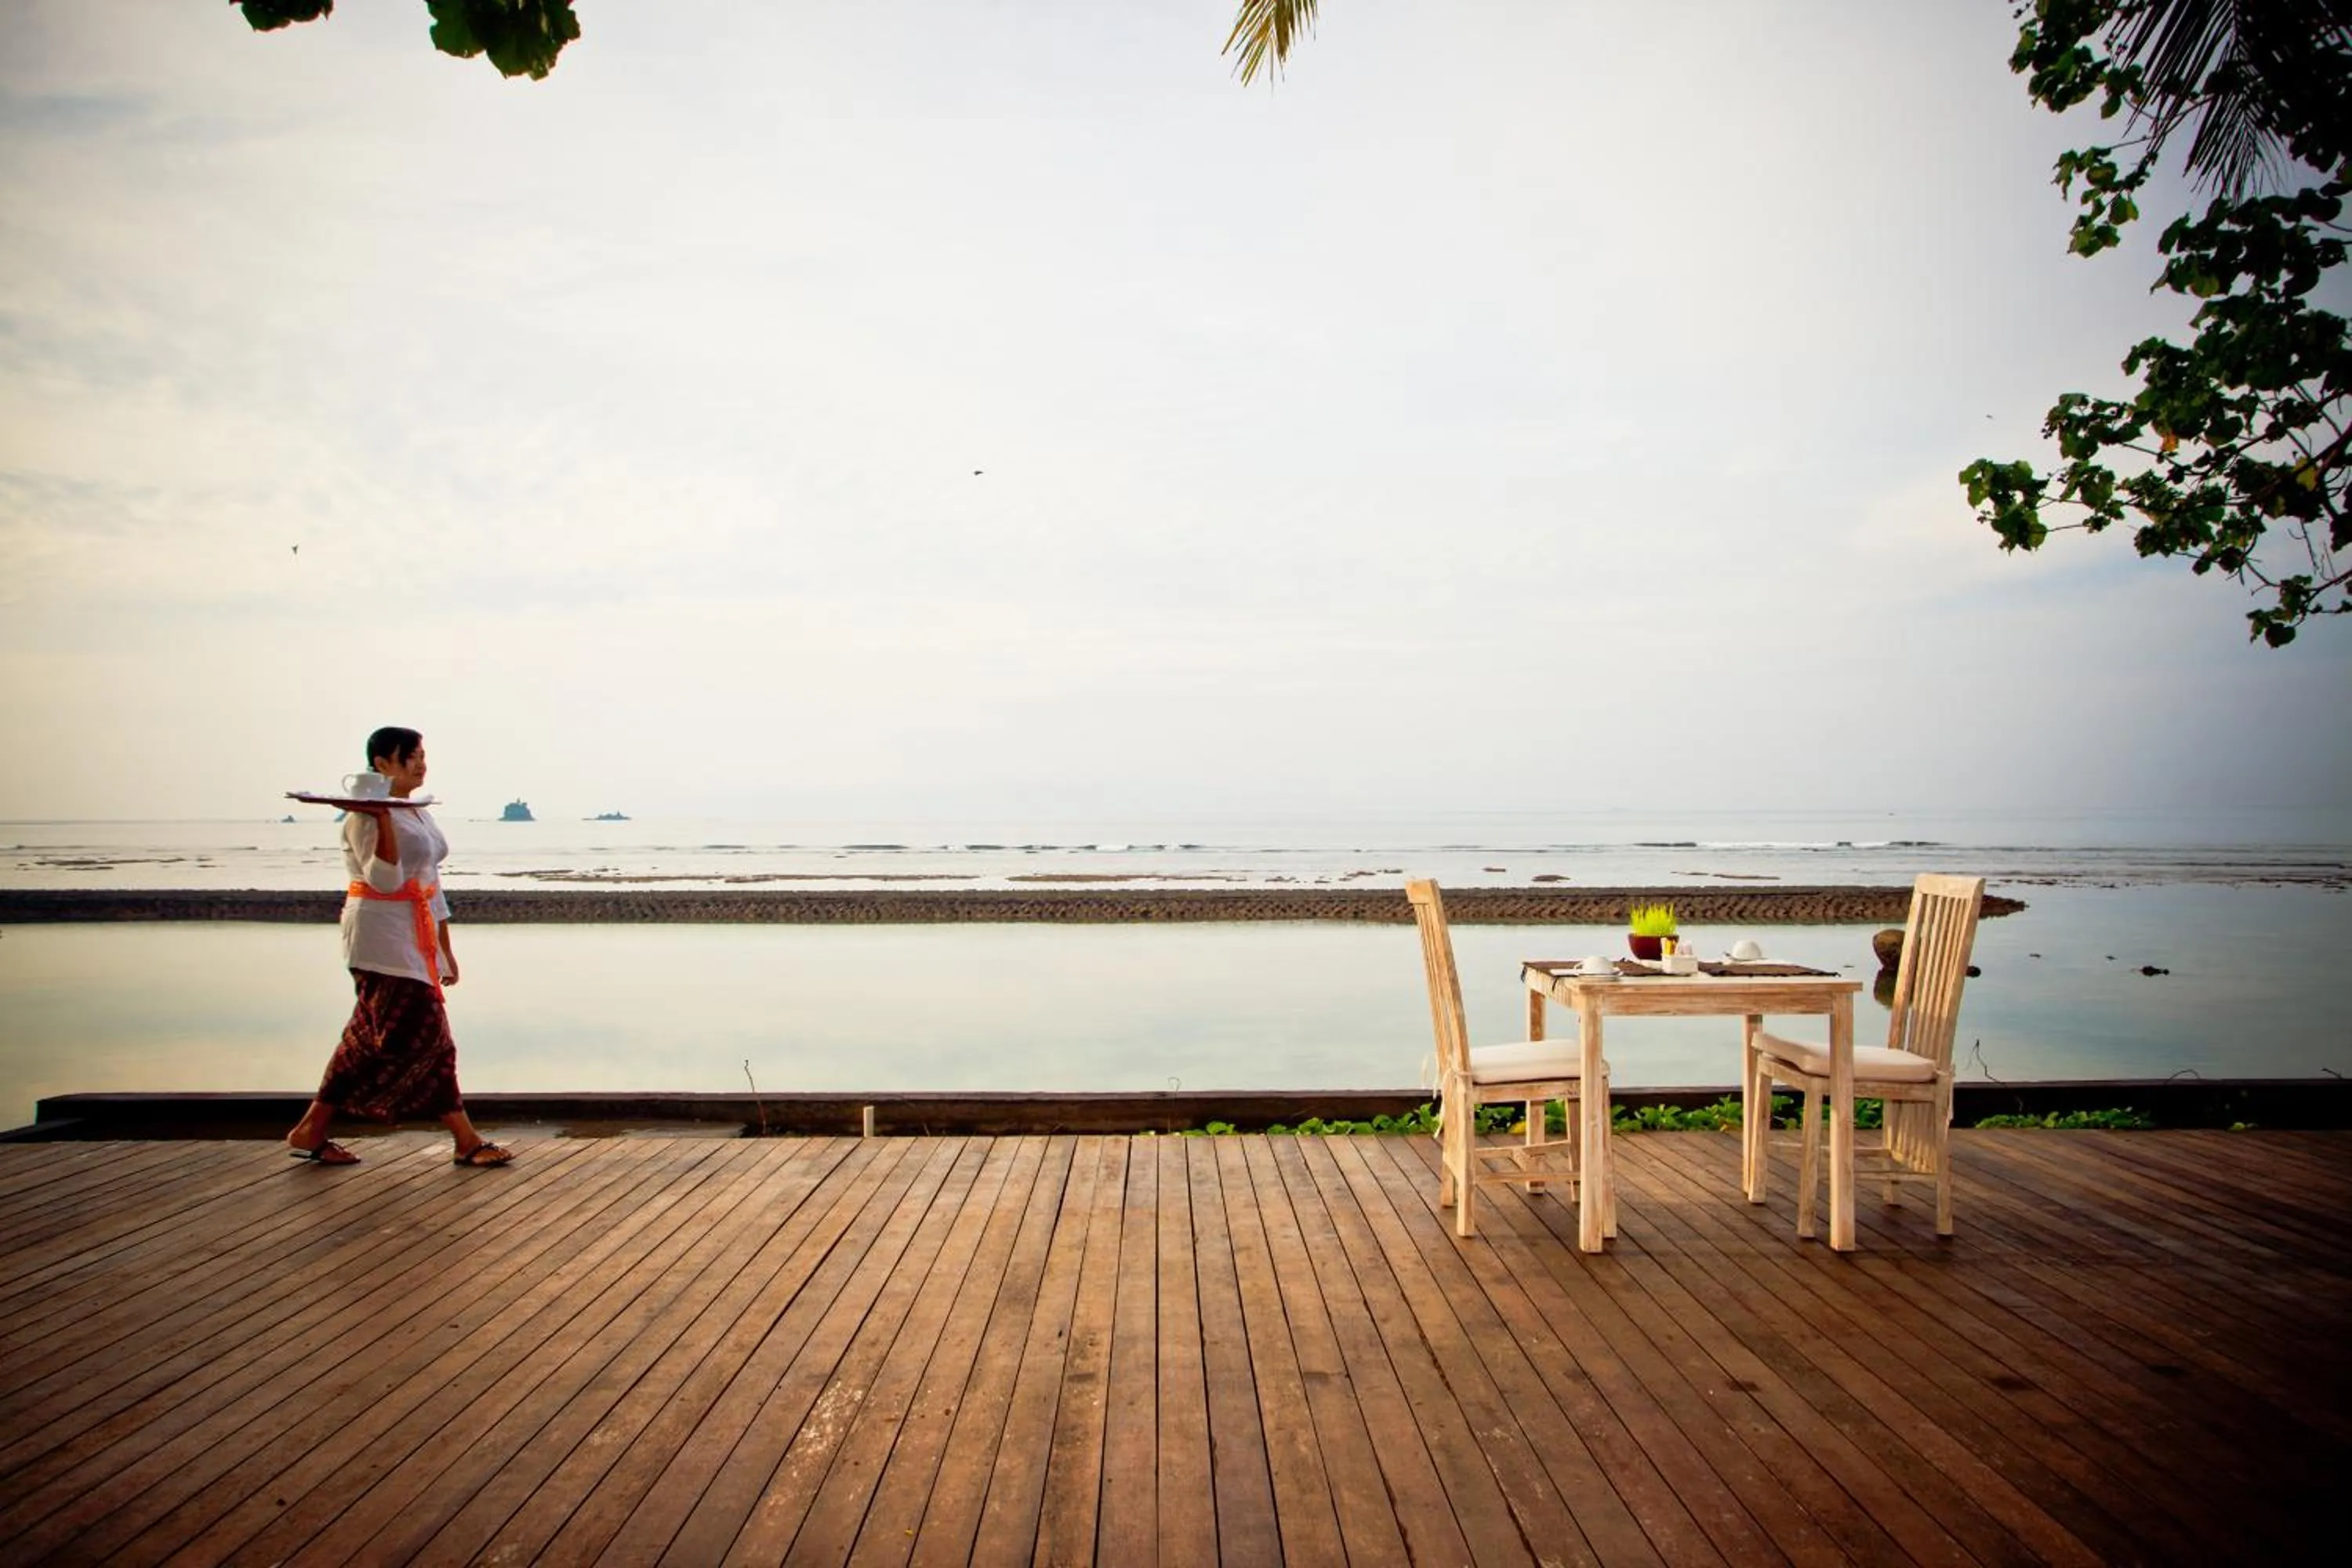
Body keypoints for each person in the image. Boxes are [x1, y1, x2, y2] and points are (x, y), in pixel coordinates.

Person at [285, 726, 514, 1167]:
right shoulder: (363, 819)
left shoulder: (418, 812)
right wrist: (381, 815)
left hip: (414, 935)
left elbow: (430, 881)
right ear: (382, 764)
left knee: (364, 1040)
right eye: (411, 756)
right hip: (379, 939)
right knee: (433, 1037)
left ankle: (311, 1127)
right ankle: (465, 1139)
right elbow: (385, 880)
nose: (420, 763)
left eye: (423, 755)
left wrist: (444, 947)